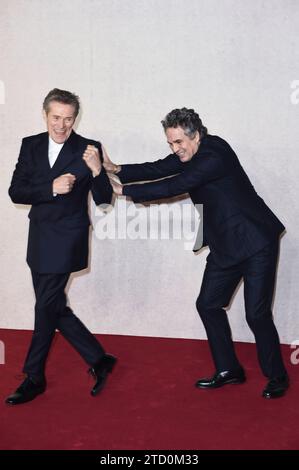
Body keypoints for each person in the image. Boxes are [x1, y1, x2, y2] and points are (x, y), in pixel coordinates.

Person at [105, 107, 289, 399]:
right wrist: (117, 169)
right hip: (224, 244)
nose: (175, 149)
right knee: (208, 304)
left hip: (255, 241)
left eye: (179, 142)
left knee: (256, 314)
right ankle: (229, 370)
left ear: (197, 135)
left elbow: (176, 184)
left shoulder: (215, 155)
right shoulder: (189, 153)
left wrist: (123, 191)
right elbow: (160, 167)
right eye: (170, 143)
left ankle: (277, 375)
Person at [6, 88, 116, 405]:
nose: (61, 125)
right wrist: (50, 188)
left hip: (68, 239)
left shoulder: (88, 148)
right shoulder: (31, 145)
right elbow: (16, 191)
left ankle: (34, 376)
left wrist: (97, 171)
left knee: (44, 308)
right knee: (54, 307)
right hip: (39, 237)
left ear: (75, 118)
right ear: (46, 115)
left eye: (68, 119)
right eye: (56, 117)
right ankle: (99, 359)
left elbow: (105, 199)